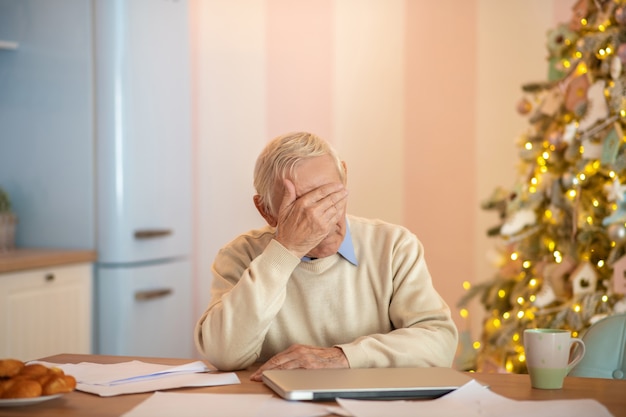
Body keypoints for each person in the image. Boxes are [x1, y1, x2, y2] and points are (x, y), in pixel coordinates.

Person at [194, 131, 458, 382]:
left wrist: (343, 357)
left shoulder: (394, 246)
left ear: (345, 181)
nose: (318, 218)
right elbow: (223, 354)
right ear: (265, 210)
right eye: (299, 207)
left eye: (328, 197)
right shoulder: (239, 255)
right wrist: (285, 251)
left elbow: (439, 343)